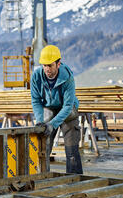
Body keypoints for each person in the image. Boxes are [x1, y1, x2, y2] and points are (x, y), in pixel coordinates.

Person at [30, 45, 83, 174]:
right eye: (44, 65)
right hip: (49, 107)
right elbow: (36, 101)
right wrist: (40, 121)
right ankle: (41, 175)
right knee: (43, 144)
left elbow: (67, 106)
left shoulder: (67, 77)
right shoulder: (36, 76)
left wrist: (53, 124)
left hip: (67, 110)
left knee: (71, 150)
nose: (47, 69)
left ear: (58, 64)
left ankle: (74, 179)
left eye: (50, 65)